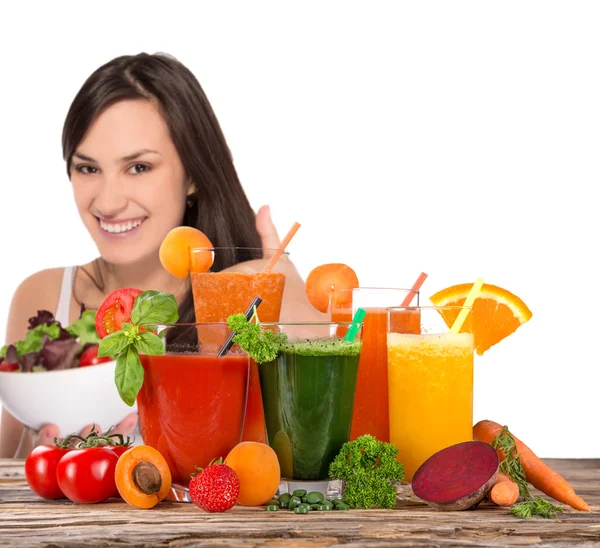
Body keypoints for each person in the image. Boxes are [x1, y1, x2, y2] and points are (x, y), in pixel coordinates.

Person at [0, 52, 324, 459]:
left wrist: (296, 309)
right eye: (88, 169)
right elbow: (8, 469)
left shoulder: (244, 302)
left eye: (138, 167)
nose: (108, 201)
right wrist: (40, 454)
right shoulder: (44, 295)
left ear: (192, 174)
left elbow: (303, 457)